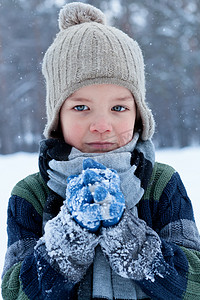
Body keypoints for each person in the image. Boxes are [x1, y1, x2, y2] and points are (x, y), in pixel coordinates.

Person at [1, 2, 200, 300]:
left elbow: (193, 285)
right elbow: (15, 291)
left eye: (118, 107)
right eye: (81, 107)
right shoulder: (31, 194)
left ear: (138, 114)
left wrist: (127, 237)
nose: (102, 125)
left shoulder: (162, 185)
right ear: (57, 117)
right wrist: (71, 235)